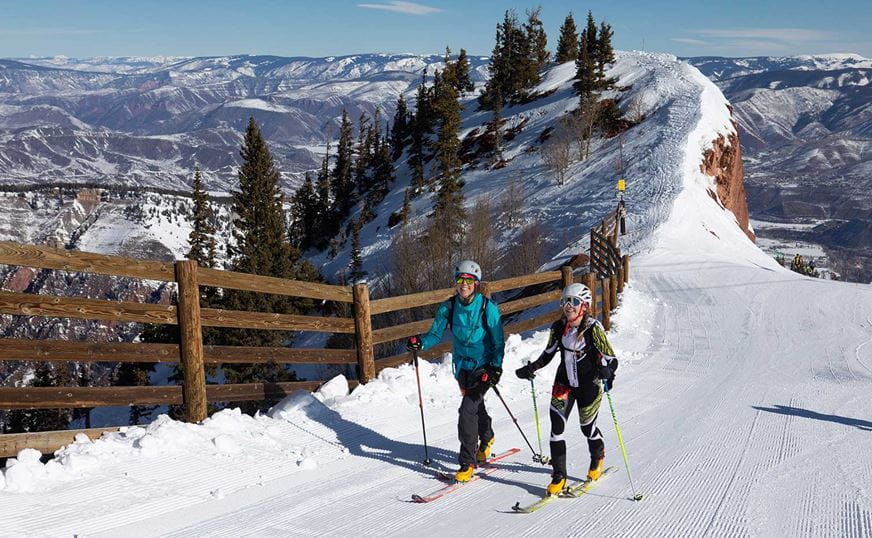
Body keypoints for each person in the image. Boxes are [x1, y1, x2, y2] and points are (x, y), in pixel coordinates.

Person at [515, 282, 618, 495]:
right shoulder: (558, 327)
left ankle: (597, 457)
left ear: (584, 305)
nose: (568, 306)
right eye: (564, 302)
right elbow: (549, 353)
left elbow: (611, 358)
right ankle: (558, 476)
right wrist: (531, 368)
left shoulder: (593, 328)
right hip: (563, 384)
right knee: (556, 429)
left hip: (589, 385)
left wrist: (608, 372)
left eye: (573, 302)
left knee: (587, 429)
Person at [407, 260, 505, 482]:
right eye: (460, 279)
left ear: (476, 283)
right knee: (474, 405)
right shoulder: (448, 307)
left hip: (484, 366)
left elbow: (498, 342)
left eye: (469, 280)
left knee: (467, 410)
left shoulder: (487, 308)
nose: (464, 284)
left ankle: (467, 463)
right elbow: (435, 334)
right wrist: (420, 344)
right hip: (462, 366)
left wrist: (495, 367)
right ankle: (487, 436)